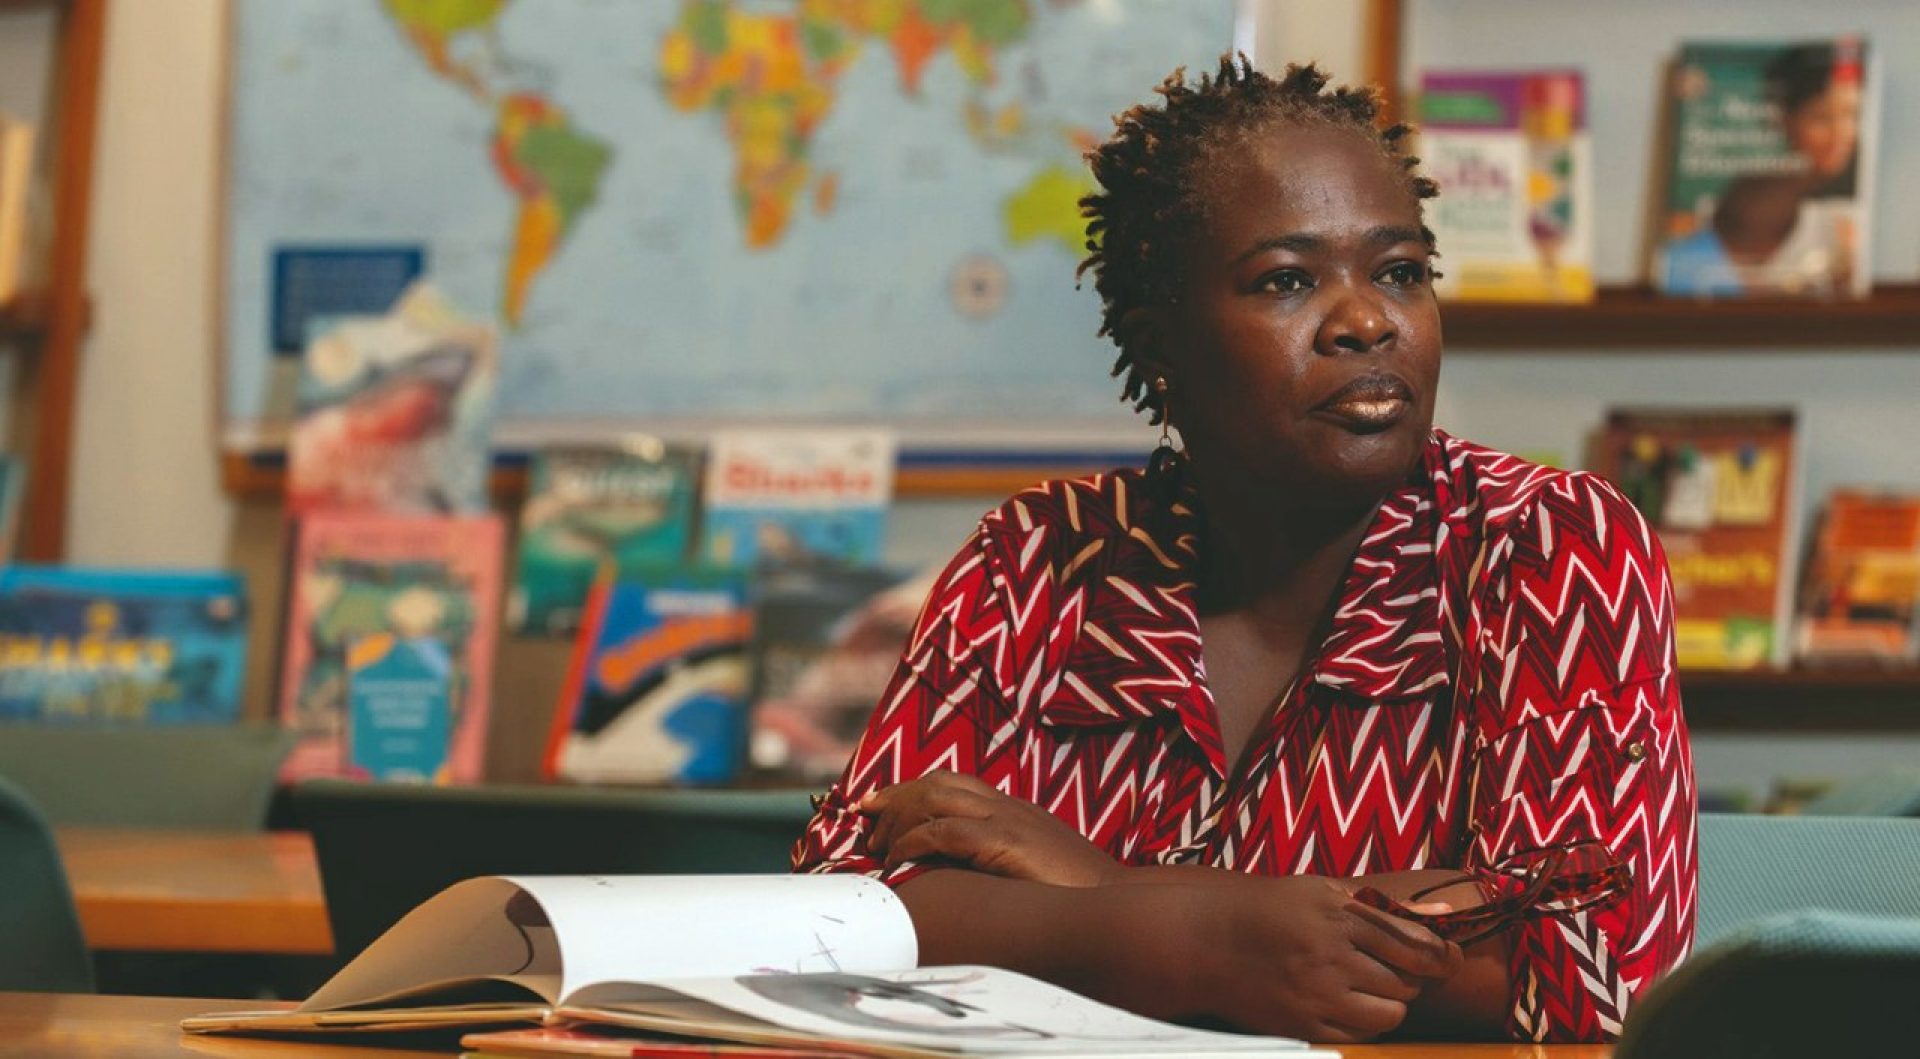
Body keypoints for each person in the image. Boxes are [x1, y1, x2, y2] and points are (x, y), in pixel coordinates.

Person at [793, 57, 1695, 1045]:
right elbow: (840, 911)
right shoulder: (1041, 559)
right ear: (1160, 344)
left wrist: (1119, 902)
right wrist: (1207, 940)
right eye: (1287, 280)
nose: (1367, 320)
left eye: (1401, 271)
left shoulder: (1548, 544)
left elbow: (1593, 953)